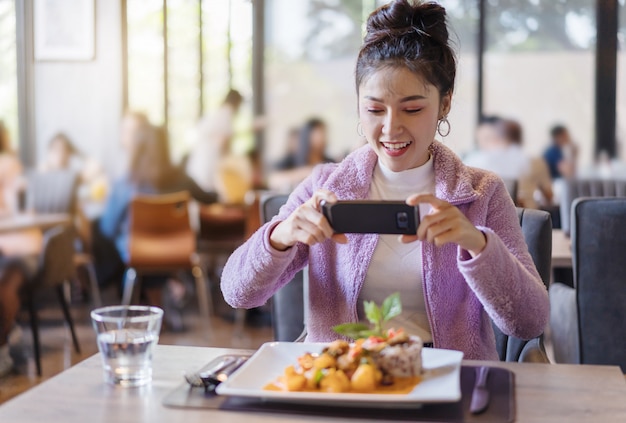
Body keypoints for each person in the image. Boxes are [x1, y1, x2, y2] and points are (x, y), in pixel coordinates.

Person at [221, 0, 548, 360]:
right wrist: (280, 236)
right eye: (375, 109)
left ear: (444, 104)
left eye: (412, 109)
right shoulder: (326, 187)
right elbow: (237, 293)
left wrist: (476, 243)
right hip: (348, 382)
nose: (391, 128)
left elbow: (529, 323)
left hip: (451, 383)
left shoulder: (481, 193)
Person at [99, 123, 217, 329]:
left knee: (117, 241)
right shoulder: (182, 179)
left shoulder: (126, 184)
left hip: (138, 253)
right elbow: (210, 199)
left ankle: (151, 301)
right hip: (179, 252)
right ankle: (169, 289)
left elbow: (107, 228)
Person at [268, 118, 335, 192]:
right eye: (317, 133)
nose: (322, 137)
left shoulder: (329, 161)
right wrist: (309, 171)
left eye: (323, 133)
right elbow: (273, 181)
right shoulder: (290, 159)